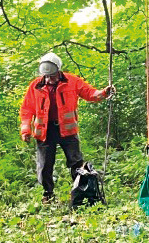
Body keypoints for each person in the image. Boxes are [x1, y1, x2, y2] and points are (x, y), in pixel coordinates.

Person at [20, 52, 115, 203]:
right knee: (44, 166)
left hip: (67, 131)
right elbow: (27, 110)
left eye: (52, 76)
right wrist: (26, 130)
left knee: (76, 163)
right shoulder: (35, 86)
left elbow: (90, 93)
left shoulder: (72, 81)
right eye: (46, 76)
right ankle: (48, 194)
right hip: (44, 132)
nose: (49, 79)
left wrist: (104, 93)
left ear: (58, 70)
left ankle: (80, 193)